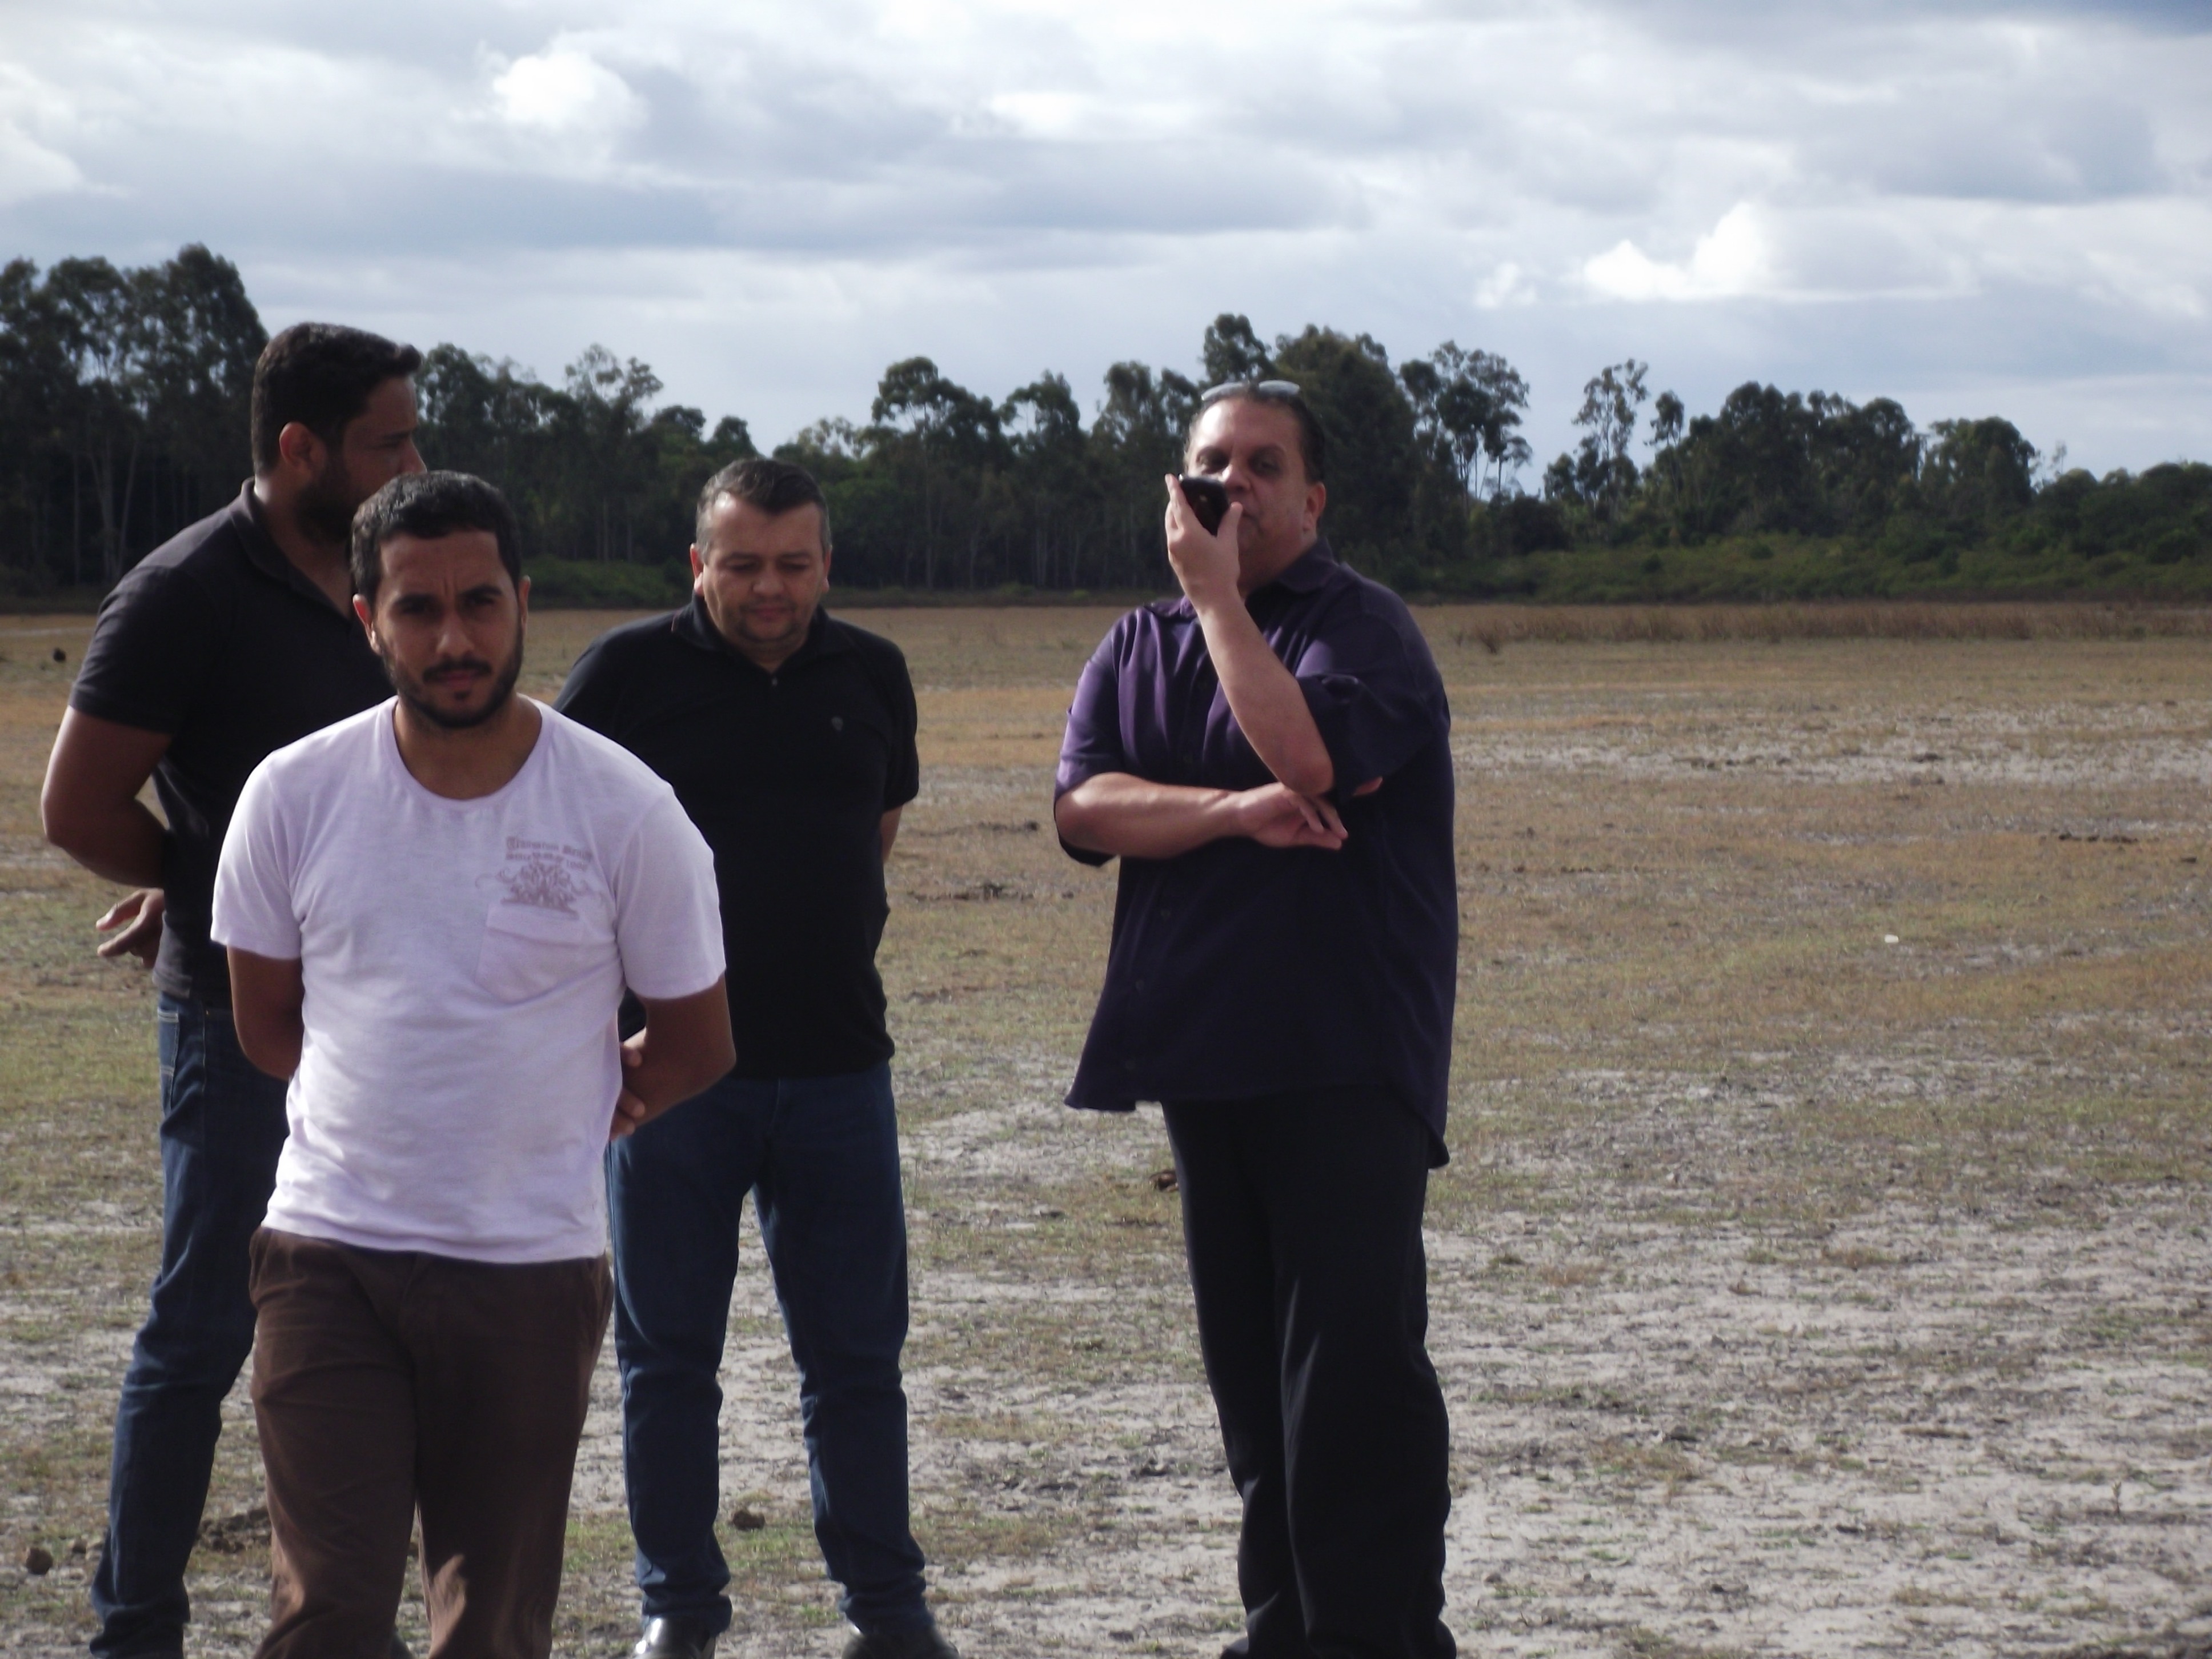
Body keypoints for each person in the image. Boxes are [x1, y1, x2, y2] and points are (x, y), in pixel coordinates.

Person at [213, 470, 735, 1659]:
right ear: (366, 619)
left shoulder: (623, 809)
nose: (454, 639)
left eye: (481, 602)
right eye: (417, 609)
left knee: (490, 1627)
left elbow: (699, 1039)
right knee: (325, 1615)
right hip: (326, 1256)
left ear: (523, 602)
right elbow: (266, 1027)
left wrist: (566, 1110)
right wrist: (400, 1113)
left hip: (527, 1270)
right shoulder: (290, 798)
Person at [1053, 381, 1460, 1659]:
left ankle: (1379, 1637)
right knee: (1253, 1389)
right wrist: (1225, 816)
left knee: (1351, 1379)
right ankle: (1280, 1632)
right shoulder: (1137, 642)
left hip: (1346, 1056)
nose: (1234, 486)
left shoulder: (1362, 629)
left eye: (1263, 466)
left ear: (1313, 496)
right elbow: (1084, 810)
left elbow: (1312, 761)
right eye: (1210, 464)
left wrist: (1221, 602)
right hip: (1204, 1055)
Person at [40, 322, 426, 1659]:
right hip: (237, 1023)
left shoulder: (384, 578)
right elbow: (78, 805)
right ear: (299, 449)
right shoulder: (185, 590)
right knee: (203, 1329)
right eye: (390, 440)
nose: (412, 462)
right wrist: (208, 892)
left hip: (392, 1017)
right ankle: (131, 1627)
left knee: (382, 1321)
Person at [556, 458, 952, 1659]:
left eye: (792, 564)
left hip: (839, 1068)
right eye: (741, 565)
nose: (769, 589)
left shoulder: (872, 673)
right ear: (698, 565)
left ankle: (885, 1615)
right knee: (666, 1362)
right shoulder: (627, 675)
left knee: (857, 1365)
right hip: (670, 1074)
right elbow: (547, 832)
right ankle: (678, 1610)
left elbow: (871, 832)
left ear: (827, 563)